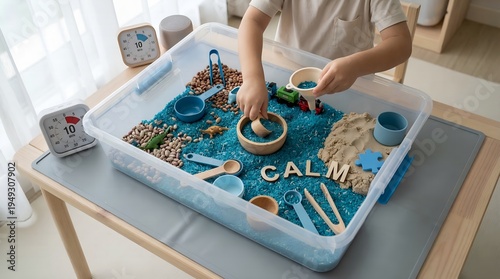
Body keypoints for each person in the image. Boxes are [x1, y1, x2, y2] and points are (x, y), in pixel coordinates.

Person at [236, 0, 413, 120]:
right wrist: (252, 78)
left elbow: (401, 44)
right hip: (288, 72)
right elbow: (252, 21)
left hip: (349, 86)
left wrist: (355, 66)